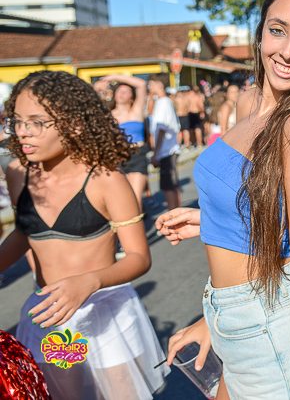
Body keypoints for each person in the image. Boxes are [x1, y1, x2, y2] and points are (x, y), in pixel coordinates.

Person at [156, 0, 290, 399]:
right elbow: (268, 208)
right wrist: (213, 220)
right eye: (278, 30)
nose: (288, 50)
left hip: (281, 332)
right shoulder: (250, 102)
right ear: (260, 31)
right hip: (236, 320)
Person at [0, 71, 166, 400]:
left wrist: (89, 282)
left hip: (105, 313)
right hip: (50, 315)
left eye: (36, 123)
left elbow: (139, 257)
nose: (22, 132)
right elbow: (25, 231)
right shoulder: (19, 173)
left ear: (74, 124)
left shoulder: (106, 179)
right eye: (17, 121)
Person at [99, 74, 149, 212]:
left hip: (137, 156)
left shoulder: (136, 111)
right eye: (119, 91)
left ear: (131, 97)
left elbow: (141, 84)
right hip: (118, 157)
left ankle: (138, 224)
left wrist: (115, 76)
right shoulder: (108, 115)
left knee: (135, 198)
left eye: (126, 91)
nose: (121, 93)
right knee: (121, 199)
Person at [148, 74, 181, 210]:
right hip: (168, 149)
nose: (149, 87)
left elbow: (161, 129)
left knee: (169, 186)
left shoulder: (163, 102)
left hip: (166, 150)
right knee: (172, 184)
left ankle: (174, 213)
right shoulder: (163, 101)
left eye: (151, 84)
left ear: (159, 85)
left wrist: (156, 153)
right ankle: (176, 211)